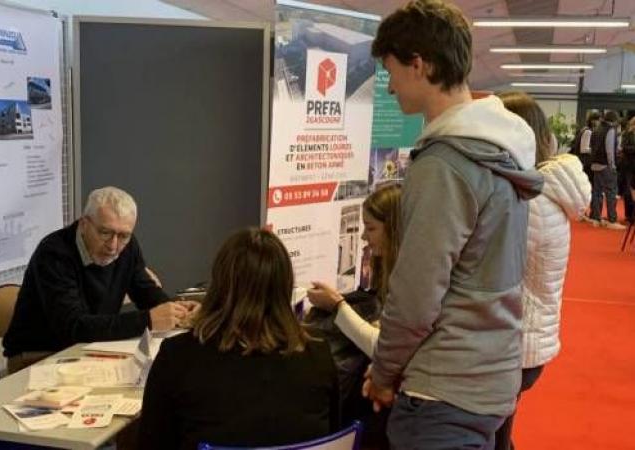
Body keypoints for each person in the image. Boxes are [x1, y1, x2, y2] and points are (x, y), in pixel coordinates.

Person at [364, 1, 544, 449]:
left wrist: (384, 373)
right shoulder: (500, 149)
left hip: (443, 390)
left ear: (419, 65)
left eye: (391, 72)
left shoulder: (446, 162)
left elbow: (416, 294)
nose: (389, 89)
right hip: (492, 377)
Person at [138, 228, 339, 450]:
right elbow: (333, 434)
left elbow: (150, 443)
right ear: (284, 287)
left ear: (219, 285)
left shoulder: (178, 357)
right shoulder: (318, 352)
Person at [3, 186, 191, 373]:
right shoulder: (54, 253)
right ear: (84, 224)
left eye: (123, 236)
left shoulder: (128, 247)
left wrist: (180, 312)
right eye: (104, 233)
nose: (113, 246)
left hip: (89, 350)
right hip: (38, 356)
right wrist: (147, 320)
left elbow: (146, 292)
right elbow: (73, 328)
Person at [494, 92, 591, 450]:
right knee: (498, 432)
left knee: (493, 436)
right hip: (525, 339)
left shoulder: (531, 201)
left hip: (516, 343)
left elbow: (491, 267)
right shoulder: (540, 191)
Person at [306, 184, 401, 449]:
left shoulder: (408, 278)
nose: (363, 237)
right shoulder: (390, 272)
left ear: (394, 228)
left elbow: (383, 346)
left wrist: (338, 306)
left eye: (371, 228)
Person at [588, 111, 625, 229]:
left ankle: (596, 217)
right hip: (606, 165)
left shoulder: (596, 129)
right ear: (614, 120)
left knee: (597, 192)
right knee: (611, 192)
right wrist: (612, 165)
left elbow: (591, 146)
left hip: (595, 164)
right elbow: (609, 149)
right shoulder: (610, 130)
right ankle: (612, 219)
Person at [619, 116, 635, 223]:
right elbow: (623, 147)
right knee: (628, 192)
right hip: (628, 165)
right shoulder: (626, 134)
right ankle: (629, 216)